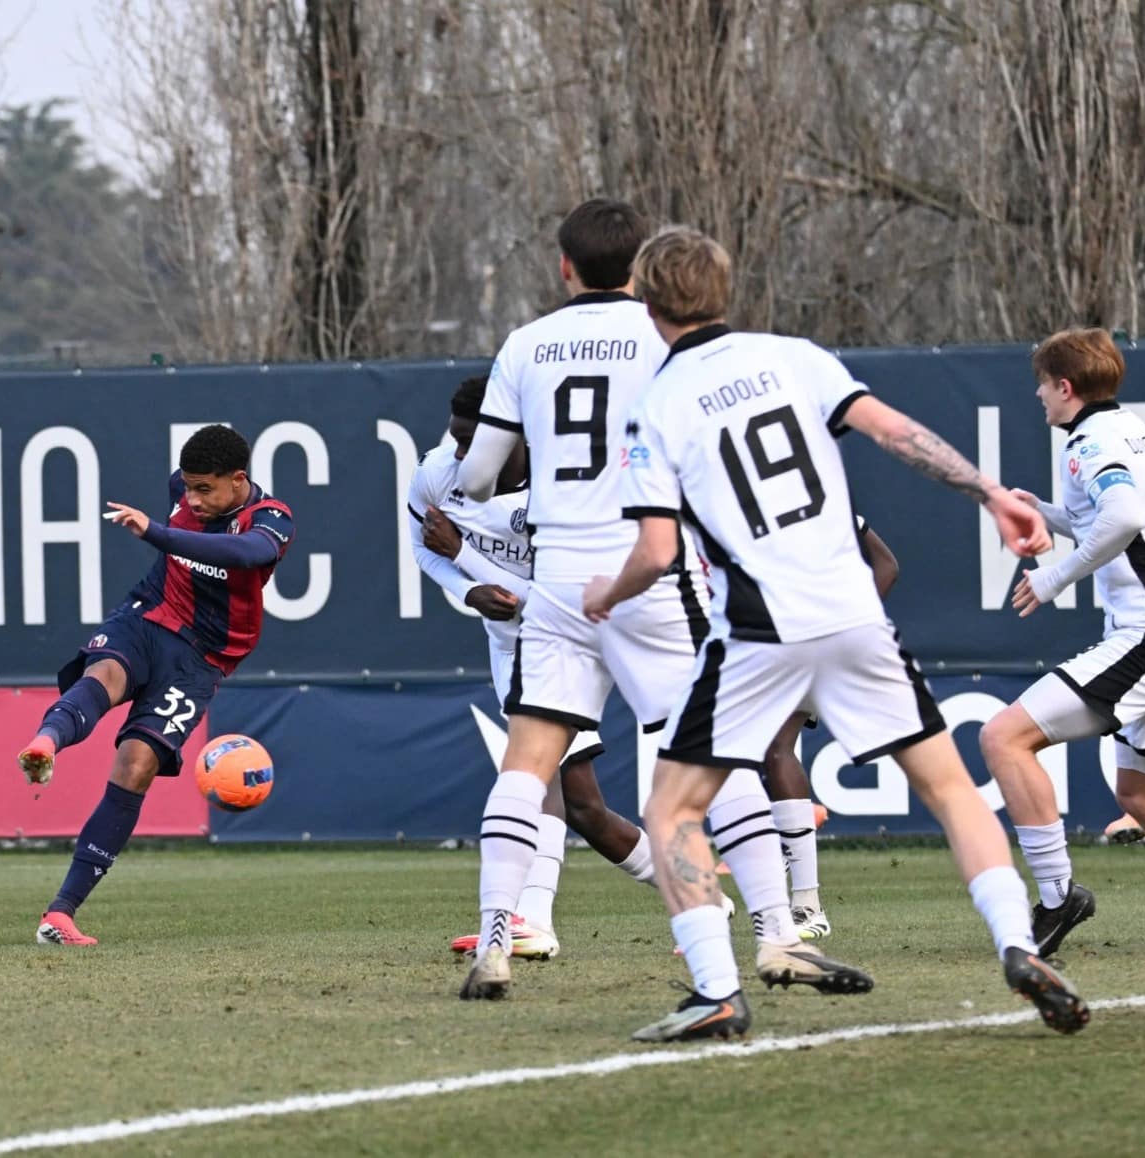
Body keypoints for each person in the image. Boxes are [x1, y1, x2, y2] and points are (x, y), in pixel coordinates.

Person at [586, 225, 1086, 1042]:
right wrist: (991, 493)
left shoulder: (657, 407)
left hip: (761, 627)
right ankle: (1017, 943)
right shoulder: (796, 357)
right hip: (856, 613)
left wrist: (607, 594)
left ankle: (715, 989)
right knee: (953, 789)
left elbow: (656, 551)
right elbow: (897, 433)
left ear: (646, 302)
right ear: (724, 290)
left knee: (673, 807)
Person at [454, 199, 854, 1002]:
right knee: (716, 752)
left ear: (564, 267)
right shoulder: (667, 336)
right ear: (639, 269)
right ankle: (777, 934)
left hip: (560, 580)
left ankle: (496, 938)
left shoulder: (526, 344)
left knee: (528, 763)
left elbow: (477, 476)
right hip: (653, 570)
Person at [979, 329, 1145, 959]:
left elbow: (1125, 517)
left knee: (1003, 737)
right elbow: (1121, 515)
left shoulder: (1089, 440)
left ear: (1066, 388)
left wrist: (1052, 577)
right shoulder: (1126, 428)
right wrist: (1046, 513)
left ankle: (1055, 899)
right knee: (1142, 796)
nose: (1039, 395)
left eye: (1044, 385)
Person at [404, 375, 668, 960]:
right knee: (576, 801)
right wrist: (466, 592)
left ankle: (539, 920)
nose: (463, 454)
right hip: (508, 646)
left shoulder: (562, 489)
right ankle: (683, 899)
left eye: (475, 441)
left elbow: (563, 597)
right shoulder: (436, 472)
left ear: (514, 436)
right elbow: (424, 546)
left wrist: (468, 559)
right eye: (457, 439)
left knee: (561, 788)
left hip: (568, 639)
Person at [17, 425, 294, 945]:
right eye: (186, 488)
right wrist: (164, 526)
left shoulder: (270, 519)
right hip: (149, 615)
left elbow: (244, 556)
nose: (191, 498)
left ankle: (61, 912)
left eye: (204, 489)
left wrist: (155, 533)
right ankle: (45, 742)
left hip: (202, 657)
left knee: (136, 765)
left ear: (238, 481)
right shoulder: (185, 488)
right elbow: (186, 509)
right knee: (104, 673)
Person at [762, 514, 899, 941]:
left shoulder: (820, 499)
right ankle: (786, 859)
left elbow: (888, 566)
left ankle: (806, 903)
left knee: (775, 749)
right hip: (773, 637)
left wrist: (851, 627)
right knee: (757, 754)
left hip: (806, 637)